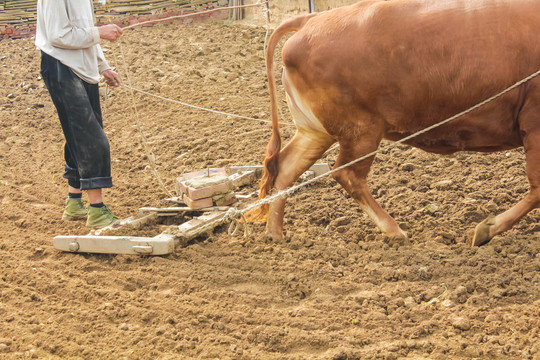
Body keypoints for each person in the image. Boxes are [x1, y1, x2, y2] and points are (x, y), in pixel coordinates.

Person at [35, 0, 124, 228]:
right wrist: (100, 32)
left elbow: (84, 30)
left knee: (80, 135)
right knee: (91, 138)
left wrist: (103, 66)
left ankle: (74, 202)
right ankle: (97, 210)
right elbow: (58, 36)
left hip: (83, 68)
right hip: (61, 66)